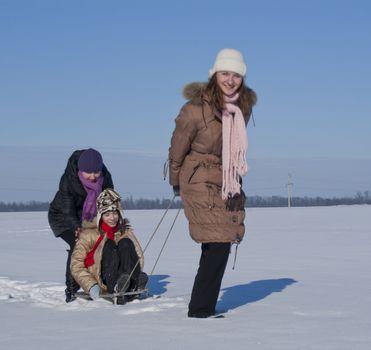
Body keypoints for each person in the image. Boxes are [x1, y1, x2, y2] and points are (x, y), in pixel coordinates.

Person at [168, 48, 257, 318]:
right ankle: (200, 310)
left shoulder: (242, 108)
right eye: (225, 73)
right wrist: (175, 181)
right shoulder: (194, 109)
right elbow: (177, 148)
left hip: (226, 179)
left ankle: (202, 306)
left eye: (236, 75)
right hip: (197, 177)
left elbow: (233, 146)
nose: (230, 80)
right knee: (217, 242)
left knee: (219, 242)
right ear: (214, 75)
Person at [48, 148, 114, 302]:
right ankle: (71, 289)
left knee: (102, 243)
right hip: (62, 217)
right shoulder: (69, 179)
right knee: (79, 244)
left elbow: (110, 200)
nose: (92, 177)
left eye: (96, 172)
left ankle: (98, 281)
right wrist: (76, 227)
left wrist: (112, 219)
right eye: (88, 173)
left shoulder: (106, 177)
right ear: (80, 169)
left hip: (89, 218)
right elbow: (67, 207)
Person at [70, 188, 147, 305]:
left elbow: (138, 256)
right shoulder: (89, 235)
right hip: (103, 280)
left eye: (115, 213)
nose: (112, 218)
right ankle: (116, 286)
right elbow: (76, 265)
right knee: (109, 245)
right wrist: (91, 286)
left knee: (125, 243)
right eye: (107, 214)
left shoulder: (124, 232)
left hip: (125, 277)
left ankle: (132, 283)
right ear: (100, 216)